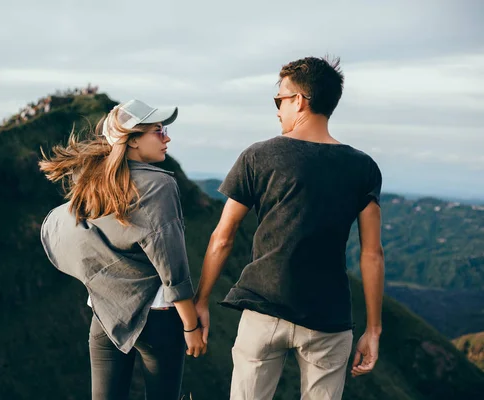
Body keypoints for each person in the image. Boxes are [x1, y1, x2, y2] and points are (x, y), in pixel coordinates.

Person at [194, 56, 385, 400]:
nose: (277, 110)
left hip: (264, 308)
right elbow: (372, 254)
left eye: (279, 100)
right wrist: (373, 329)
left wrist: (201, 300)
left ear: (299, 99)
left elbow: (223, 237)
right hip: (329, 317)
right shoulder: (364, 167)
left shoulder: (258, 156)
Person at [39, 99, 206, 400]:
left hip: (104, 314)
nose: (167, 137)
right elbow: (172, 266)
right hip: (158, 319)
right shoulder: (158, 185)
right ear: (132, 141)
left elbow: (71, 236)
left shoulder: (93, 181)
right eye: (158, 130)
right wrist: (191, 326)